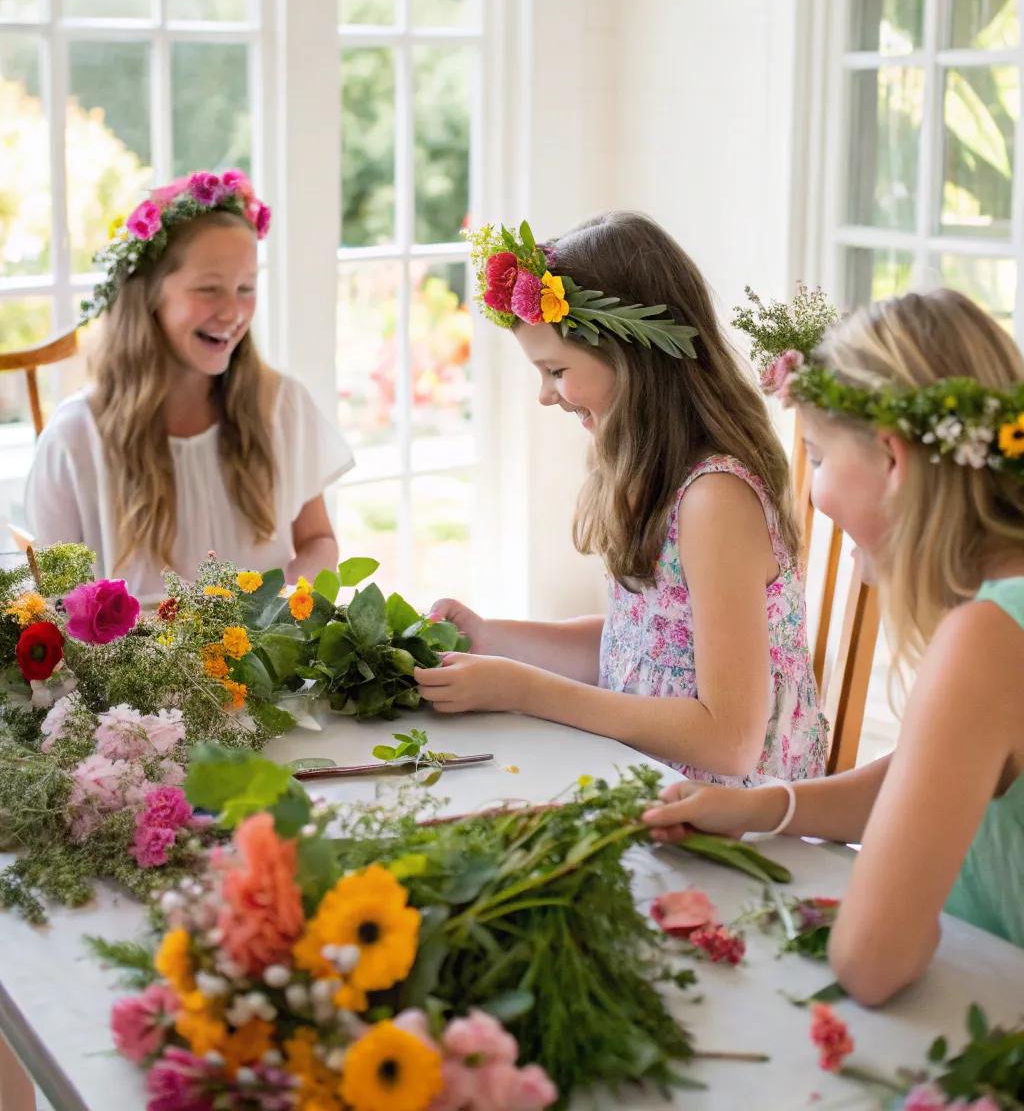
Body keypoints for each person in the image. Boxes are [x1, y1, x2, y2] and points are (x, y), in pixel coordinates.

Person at [644, 287, 1024, 1003]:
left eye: (815, 456)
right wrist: (767, 807)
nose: (809, 492)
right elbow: (938, 776)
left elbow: (871, 964)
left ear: (892, 458)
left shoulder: (988, 639)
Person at [417, 212, 827, 784]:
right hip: (648, 782)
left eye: (556, 369)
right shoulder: (654, 476)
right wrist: (490, 638)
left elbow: (731, 740)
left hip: (733, 818)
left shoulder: (716, 500)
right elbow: (636, 649)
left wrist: (528, 691)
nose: (546, 394)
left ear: (631, 357)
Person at [26, 169, 352, 601]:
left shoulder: (282, 407)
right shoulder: (75, 439)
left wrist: (283, 606)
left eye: (246, 288)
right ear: (149, 296)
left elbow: (318, 541)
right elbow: (56, 607)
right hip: (134, 668)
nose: (233, 312)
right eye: (209, 289)